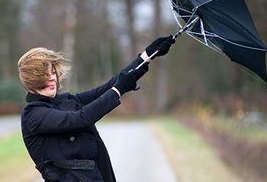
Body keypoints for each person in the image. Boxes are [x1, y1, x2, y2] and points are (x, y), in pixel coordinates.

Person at [18, 36, 175, 182]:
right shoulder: (32, 114)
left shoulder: (65, 100)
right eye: (45, 75)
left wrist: (146, 57)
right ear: (33, 80)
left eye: (52, 72)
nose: (52, 77)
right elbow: (78, 119)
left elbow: (108, 87)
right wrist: (117, 91)